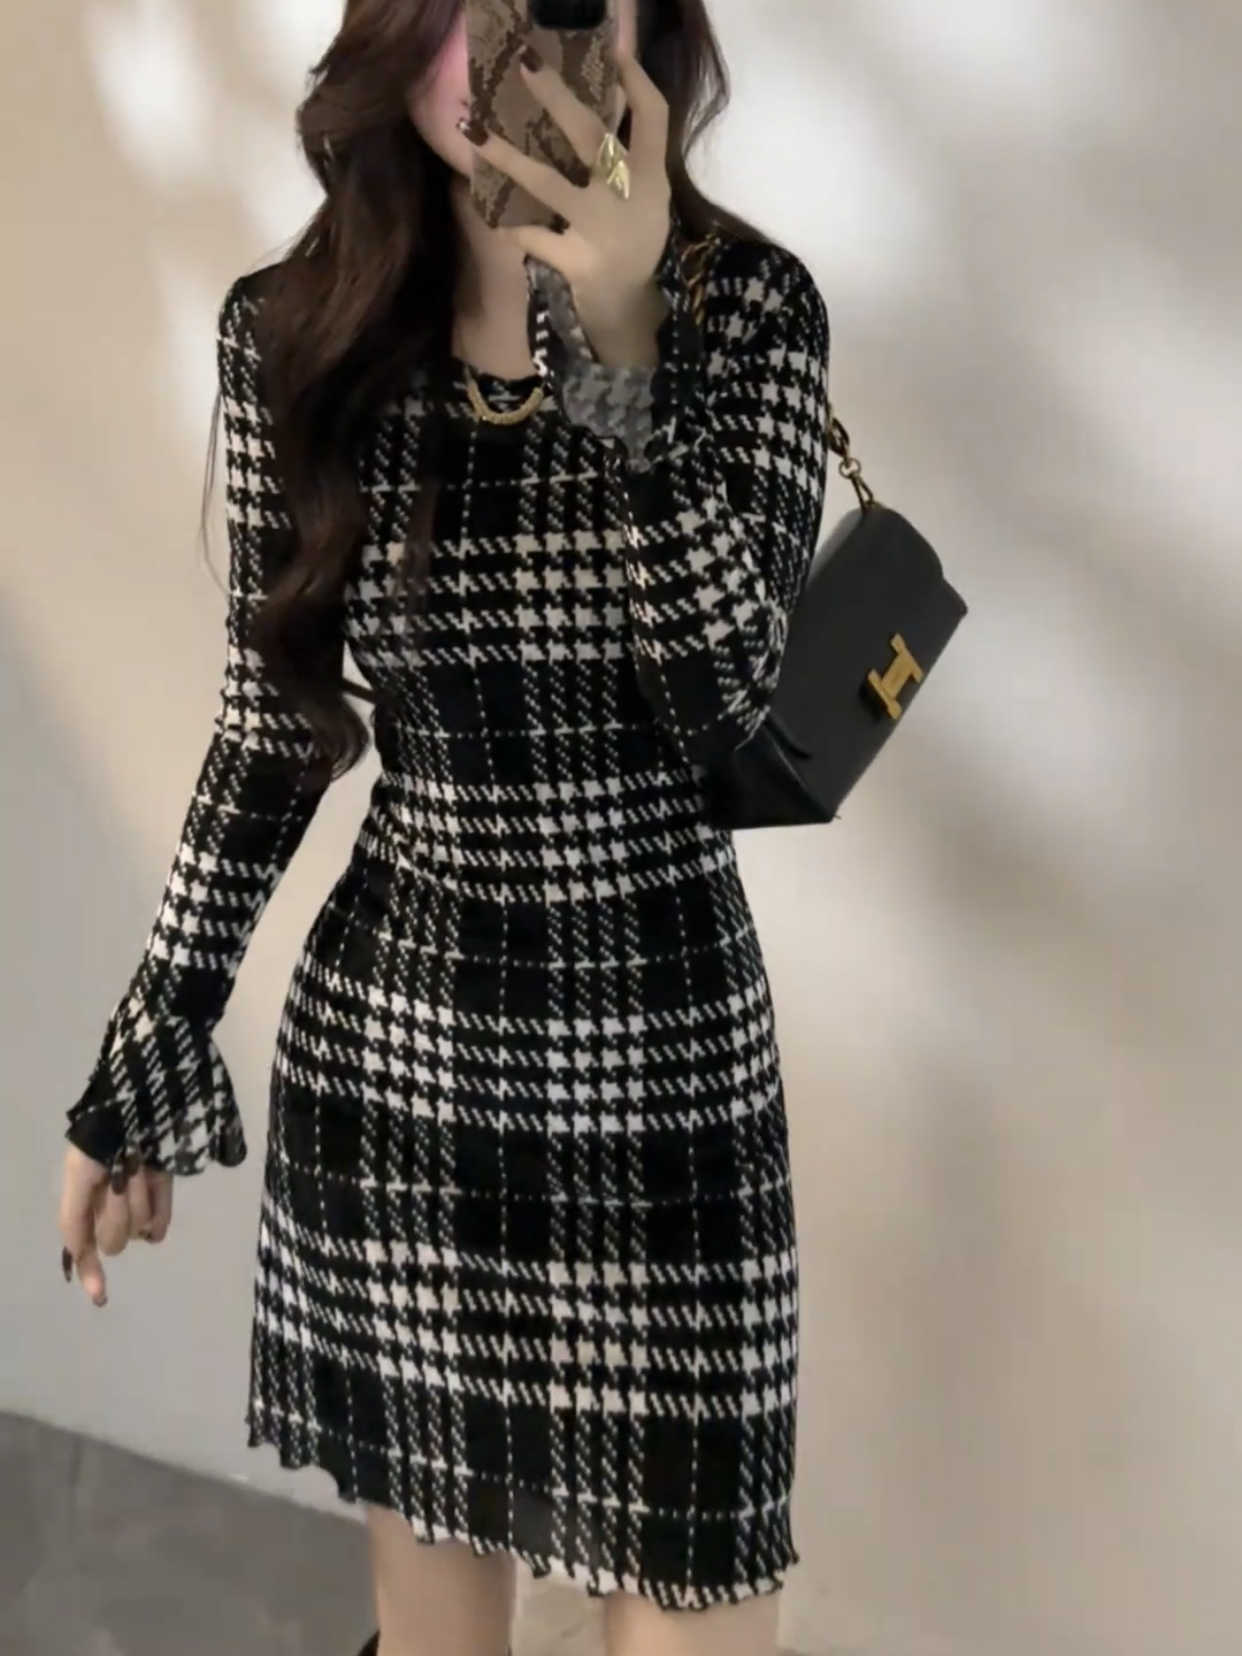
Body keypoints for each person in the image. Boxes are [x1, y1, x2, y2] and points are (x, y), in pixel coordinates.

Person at [56, 2, 831, 1653]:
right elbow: (276, 729)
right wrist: (153, 1036)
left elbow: (734, 718)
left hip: (667, 1086)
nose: (500, 47)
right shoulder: (302, 331)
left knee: (703, 1598)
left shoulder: (747, 313)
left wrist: (618, 351)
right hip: (401, 1079)